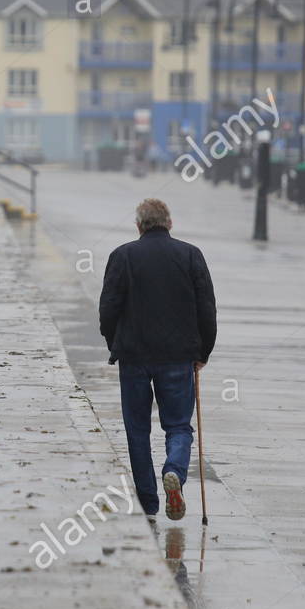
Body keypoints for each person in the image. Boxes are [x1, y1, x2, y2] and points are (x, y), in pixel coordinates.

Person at [99, 199, 217, 521]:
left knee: (137, 429)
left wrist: (115, 344)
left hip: (134, 357)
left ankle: (149, 502)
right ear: (170, 223)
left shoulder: (122, 256)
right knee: (178, 425)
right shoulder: (191, 255)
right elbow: (207, 308)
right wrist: (203, 352)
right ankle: (175, 472)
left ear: (138, 225)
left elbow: (108, 309)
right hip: (178, 358)